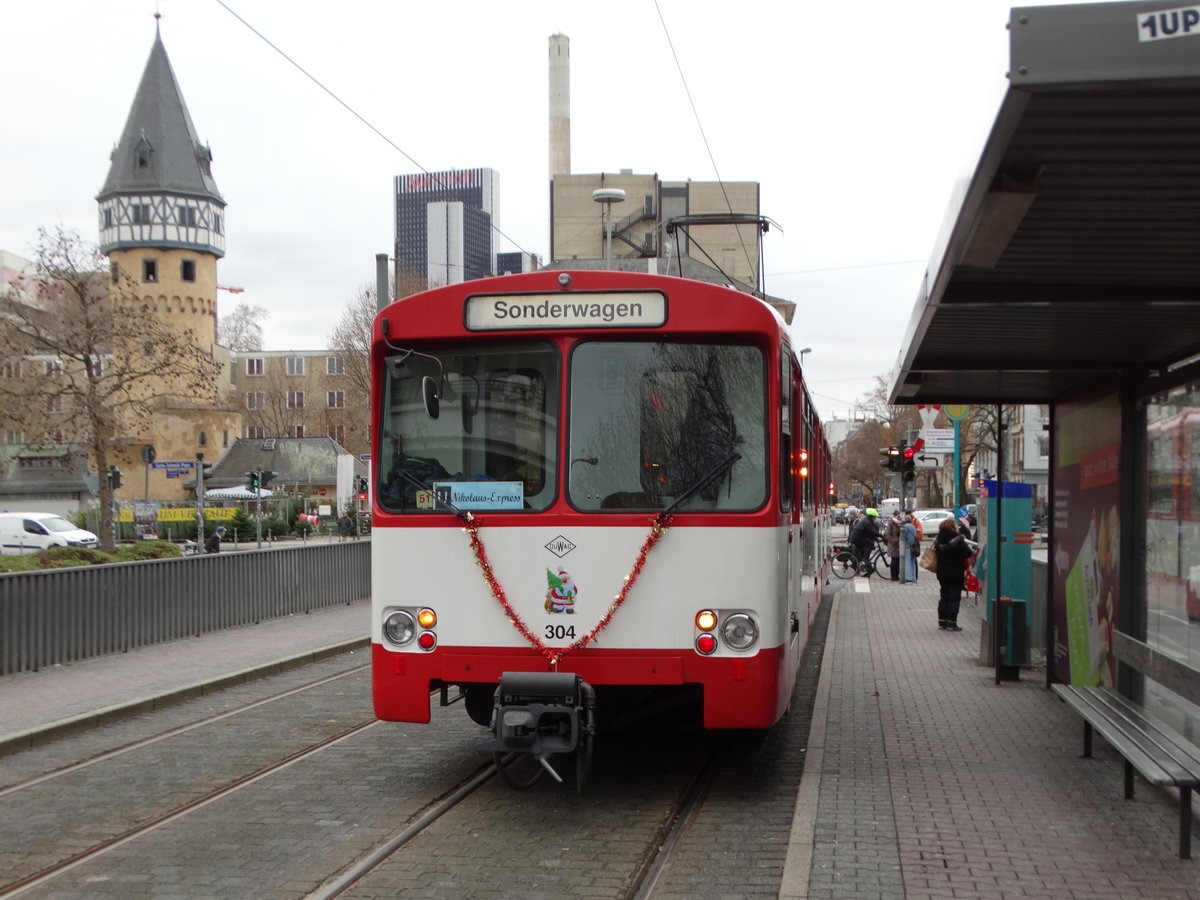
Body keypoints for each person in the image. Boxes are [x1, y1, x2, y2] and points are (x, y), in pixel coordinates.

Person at [933, 517, 975, 630]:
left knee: (944, 596)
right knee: (954, 597)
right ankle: (951, 623)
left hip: (942, 572)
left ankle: (942, 622)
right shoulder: (957, 539)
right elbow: (967, 552)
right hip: (956, 572)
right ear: (952, 526)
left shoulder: (938, 539)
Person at [849, 508, 880, 575]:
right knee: (870, 544)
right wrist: (882, 536)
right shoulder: (867, 522)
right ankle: (867, 563)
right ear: (872, 516)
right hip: (857, 538)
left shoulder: (866, 520)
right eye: (875, 517)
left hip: (857, 538)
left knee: (861, 552)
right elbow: (872, 531)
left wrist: (876, 538)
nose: (875, 518)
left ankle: (860, 562)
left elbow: (869, 532)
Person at [884, 510, 903, 581]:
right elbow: (888, 534)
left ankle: (896, 575)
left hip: (899, 544)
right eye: (898, 516)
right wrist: (894, 541)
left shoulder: (900, 523)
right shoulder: (891, 523)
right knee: (894, 560)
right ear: (895, 515)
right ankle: (894, 576)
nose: (899, 518)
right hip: (893, 545)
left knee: (897, 560)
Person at [902, 512, 920, 583]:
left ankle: (908, 577)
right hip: (914, 546)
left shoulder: (905, 527)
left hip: (907, 546)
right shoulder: (913, 526)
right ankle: (913, 577)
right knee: (913, 562)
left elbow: (903, 537)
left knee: (907, 562)